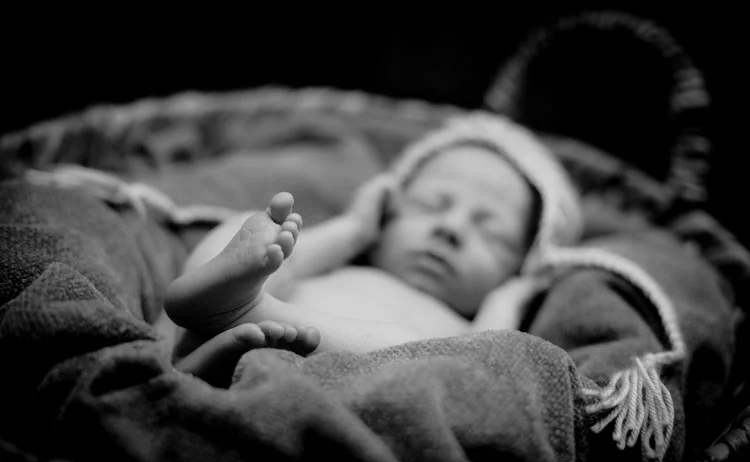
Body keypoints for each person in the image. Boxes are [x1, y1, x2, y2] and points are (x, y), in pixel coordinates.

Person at [161, 113, 583, 374]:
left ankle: (239, 316)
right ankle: (219, 302)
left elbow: (490, 365)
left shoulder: (469, 329)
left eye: (492, 233)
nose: (451, 228)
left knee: (435, 361)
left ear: (522, 267)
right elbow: (291, 261)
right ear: (386, 209)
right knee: (250, 234)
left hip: (332, 374)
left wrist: (510, 301)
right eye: (431, 204)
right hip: (232, 323)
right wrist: (352, 231)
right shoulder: (345, 264)